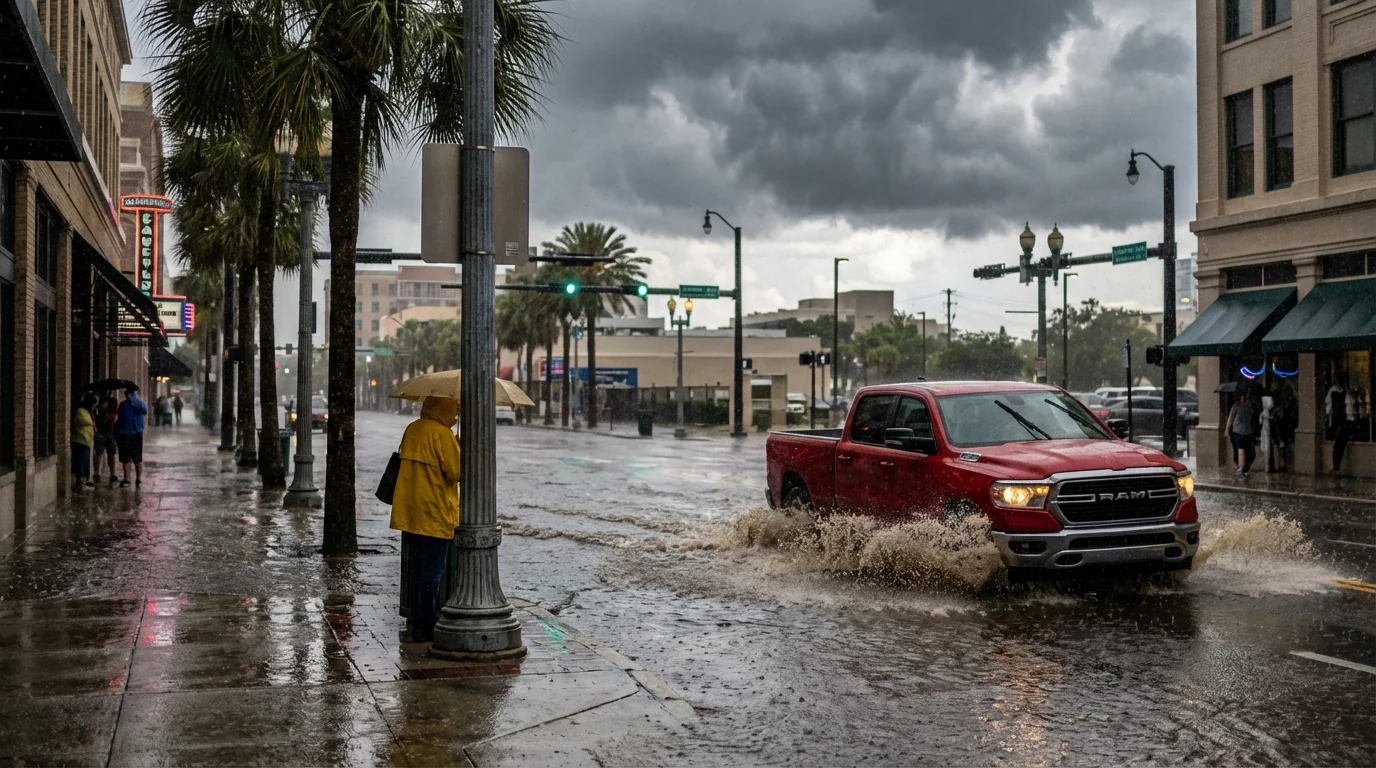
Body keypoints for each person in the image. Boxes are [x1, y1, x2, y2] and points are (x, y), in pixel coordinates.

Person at [389, 396, 461, 643]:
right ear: (443, 409)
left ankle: (416, 619)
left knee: (418, 570)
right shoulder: (442, 434)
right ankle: (426, 626)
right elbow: (456, 471)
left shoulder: (413, 428)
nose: (455, 415)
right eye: (454, 409)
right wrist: (458, 446)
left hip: (411, 510)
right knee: (433, 571)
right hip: (434, 511)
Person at [115, 385, 148, 488]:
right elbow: (144, 411)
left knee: (127, 458)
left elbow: (120, 418)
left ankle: (128, 479)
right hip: (134, 434)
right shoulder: (139, 404)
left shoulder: (125, 405)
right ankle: (136, 479)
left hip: (126, 434)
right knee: (135, 458)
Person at [1224, 391, 1256, 478]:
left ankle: (1243, 469)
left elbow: (1251, 415)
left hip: (1247, 431)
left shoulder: (1248, 406)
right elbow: (1231, 418)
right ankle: (1241, 470)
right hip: (1239, 432)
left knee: (1248, 452)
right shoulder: (1236, 405)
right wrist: (1227, 430)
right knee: (1241, 450)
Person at [71, 394, 97, 491]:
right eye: (93, 404)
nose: (94, 406)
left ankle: (84, 479)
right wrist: (90, 423)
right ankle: (79, 479)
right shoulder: (80, 411)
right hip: (80, 440)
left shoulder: (89, 412)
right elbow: (79, 422)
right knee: (80, 461)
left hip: (87, 441)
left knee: (85, 461)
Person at [93, 396, 119, 485]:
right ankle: (97, 473)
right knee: (99, 453)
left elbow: (114, 421)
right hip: (101, 432)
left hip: (110, 434)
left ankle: (112, 474)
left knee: (111, 453)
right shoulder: (98, 409)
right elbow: (96, 419)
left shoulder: (113, 411)